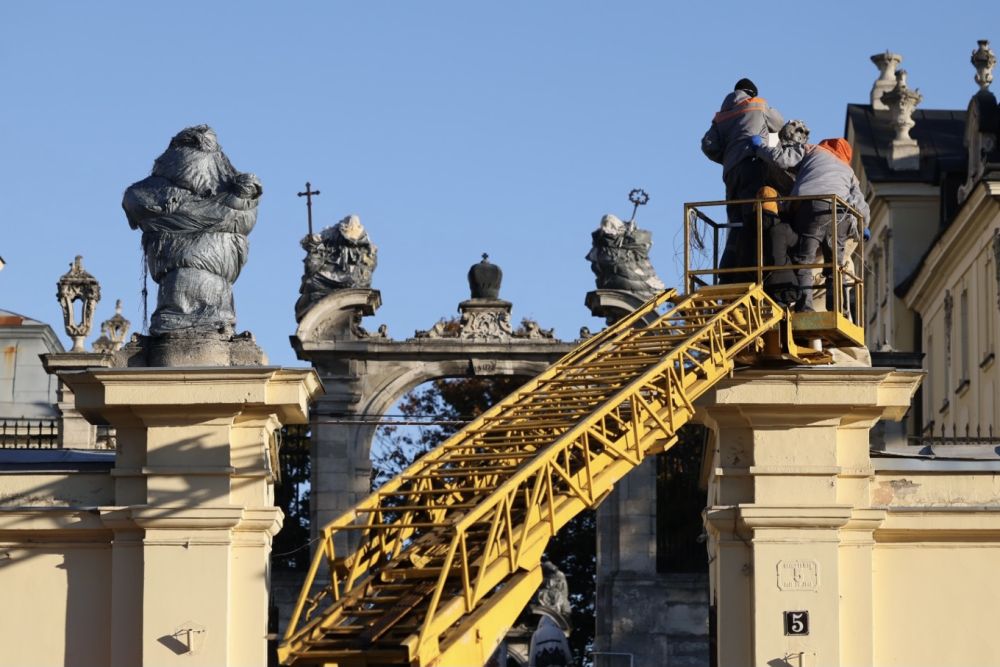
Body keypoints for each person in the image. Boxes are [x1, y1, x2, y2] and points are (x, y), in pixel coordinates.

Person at [752, 136, 870, 312]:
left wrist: (760, 148)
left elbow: (782, 159)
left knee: (804, 261)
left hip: (811, 209)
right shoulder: (849, 171)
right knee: (835, 265)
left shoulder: (812, 150)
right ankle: (838, 309)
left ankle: (805, 307)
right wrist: (863, 226)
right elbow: (860, 203)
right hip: (840, 214)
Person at [701, 78, 785, 280]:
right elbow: (779, 124)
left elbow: (708, 145)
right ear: (752, 93)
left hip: (731, 172)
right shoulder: (758, 104)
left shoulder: (720, 116)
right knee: (754, 216)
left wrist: (728, 157)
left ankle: (727, 270)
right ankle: (751, 267)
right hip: (753, 165)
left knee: (735, 221)